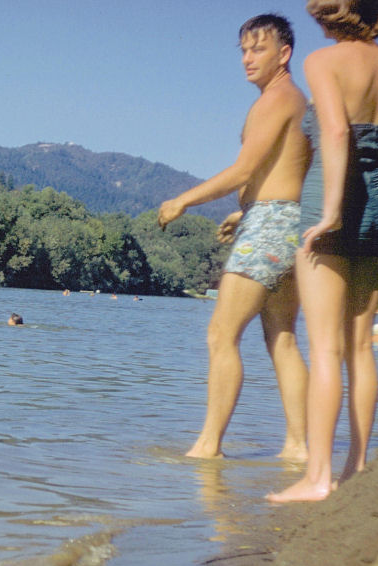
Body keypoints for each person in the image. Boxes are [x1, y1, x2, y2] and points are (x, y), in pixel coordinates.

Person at [268, 0, 378, 502]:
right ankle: (356, 469)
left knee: (325, 349)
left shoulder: (322, 62)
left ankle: (318, 477)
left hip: (328, 205)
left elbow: (335, 131)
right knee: (360, 348)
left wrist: (332, 209)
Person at [158, 14, 311, 460]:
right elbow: (280, 172)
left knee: (221, 334)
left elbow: (244, 170)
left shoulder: (276, 98)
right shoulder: (295, 100)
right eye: (243, 50)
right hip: (288, 222)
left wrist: (183, 200)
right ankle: (298, 447)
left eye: (258, 49)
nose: (247, 59)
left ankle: (208, 447)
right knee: (281, 337)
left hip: (271, 224)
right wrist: (243, 210)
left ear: (284, 54)